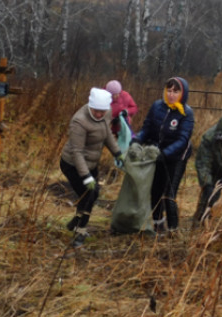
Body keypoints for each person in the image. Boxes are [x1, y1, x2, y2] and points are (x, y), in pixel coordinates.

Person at [60, 87, 124, 247]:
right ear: (90, 106)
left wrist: (117, 152)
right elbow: (77, 152)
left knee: (92, 195)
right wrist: (86, 176)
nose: (99, 115)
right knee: (88, 195)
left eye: (102, 111)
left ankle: (75, 221)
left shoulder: (106, 112)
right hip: (73, 165)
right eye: (96, 111)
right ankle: (80, 232)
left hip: (92, 163)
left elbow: (107, 133)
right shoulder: (79, 121)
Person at [131, 77, 194, 235]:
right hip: (157, 153)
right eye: (169, 91)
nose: (171, 94)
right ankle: (159, 224)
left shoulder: (186, 113)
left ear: (182, 94)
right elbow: (147, 128)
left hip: (177, 157)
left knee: (169, 194)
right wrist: (138, 139)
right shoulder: (157, 106)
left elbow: (182, 139)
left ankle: (174, 230)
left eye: (175, 91)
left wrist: (165, 153)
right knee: (156, 190)